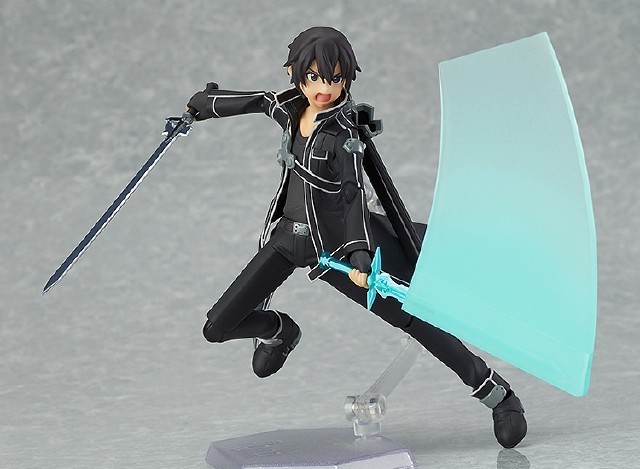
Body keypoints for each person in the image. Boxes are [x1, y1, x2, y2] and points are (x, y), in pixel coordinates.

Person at [187, 26, 526, 448]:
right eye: (314, 77)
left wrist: (361, 256)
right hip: (287, 240)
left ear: (346, 79)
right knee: (217, 326)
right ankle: (280, 330)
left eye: (334, 79)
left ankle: (496, 393)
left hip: (335, 250)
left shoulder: (343, 135)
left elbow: (352, 196)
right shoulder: (291, 107)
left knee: (412, 319)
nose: (324, 88)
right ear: (296, 73)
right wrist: (204, 105)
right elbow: (257, 100)